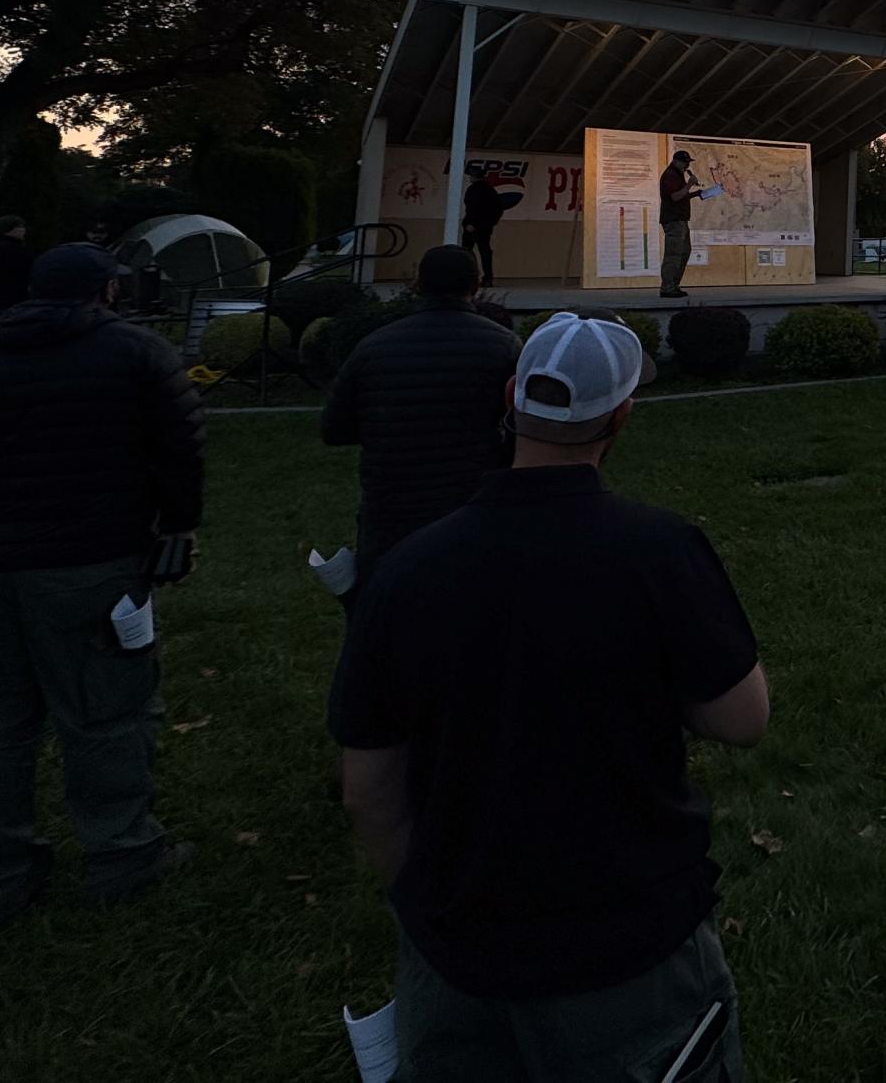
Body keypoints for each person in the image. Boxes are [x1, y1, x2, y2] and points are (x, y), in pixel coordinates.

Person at [333, 312, 765, 1082]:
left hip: (459, 957)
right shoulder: (658, 552)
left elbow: (368, 787)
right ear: (622, 416)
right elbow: (742, 717)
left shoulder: (407, 572)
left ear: (511, 397)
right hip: (630, 953)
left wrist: (424, 903)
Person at [0, 243, 205, 927]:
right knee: (107, 714)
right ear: (107, 291)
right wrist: (176, 527)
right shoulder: (136, 355)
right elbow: (181, 444)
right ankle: (122, 855)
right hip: (96, 563)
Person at [320, 244, 522, 588]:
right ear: (476, 284)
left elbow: (334, 428)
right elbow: (523, 427)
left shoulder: (373, 347)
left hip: (390, 514)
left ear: (418, 284)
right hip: (472, 510)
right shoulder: (504, 346)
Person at [658, 150, 700, 299]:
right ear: (676, 161)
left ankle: (674, 285)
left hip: (681, 220)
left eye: (688, 162)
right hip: (674, 220)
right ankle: (667, 288)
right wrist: (689, 185)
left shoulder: (677, 175)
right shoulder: (670, 175)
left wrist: (696, 194)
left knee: (684, 252)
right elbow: (675, 197)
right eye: (685, 162)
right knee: (674, 254)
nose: (687, 165)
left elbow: (681, 195)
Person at [459, 169, 507, 287]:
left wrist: (471, 224)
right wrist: (489, 224)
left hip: (473, 226)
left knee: (466, 253)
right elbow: (497, 209)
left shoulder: (473, 190)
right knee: (485, 252)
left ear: (474, 177)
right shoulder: (491, 191)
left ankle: (467, 278)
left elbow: (472, 208)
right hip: (485, 227)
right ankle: (488, 278)